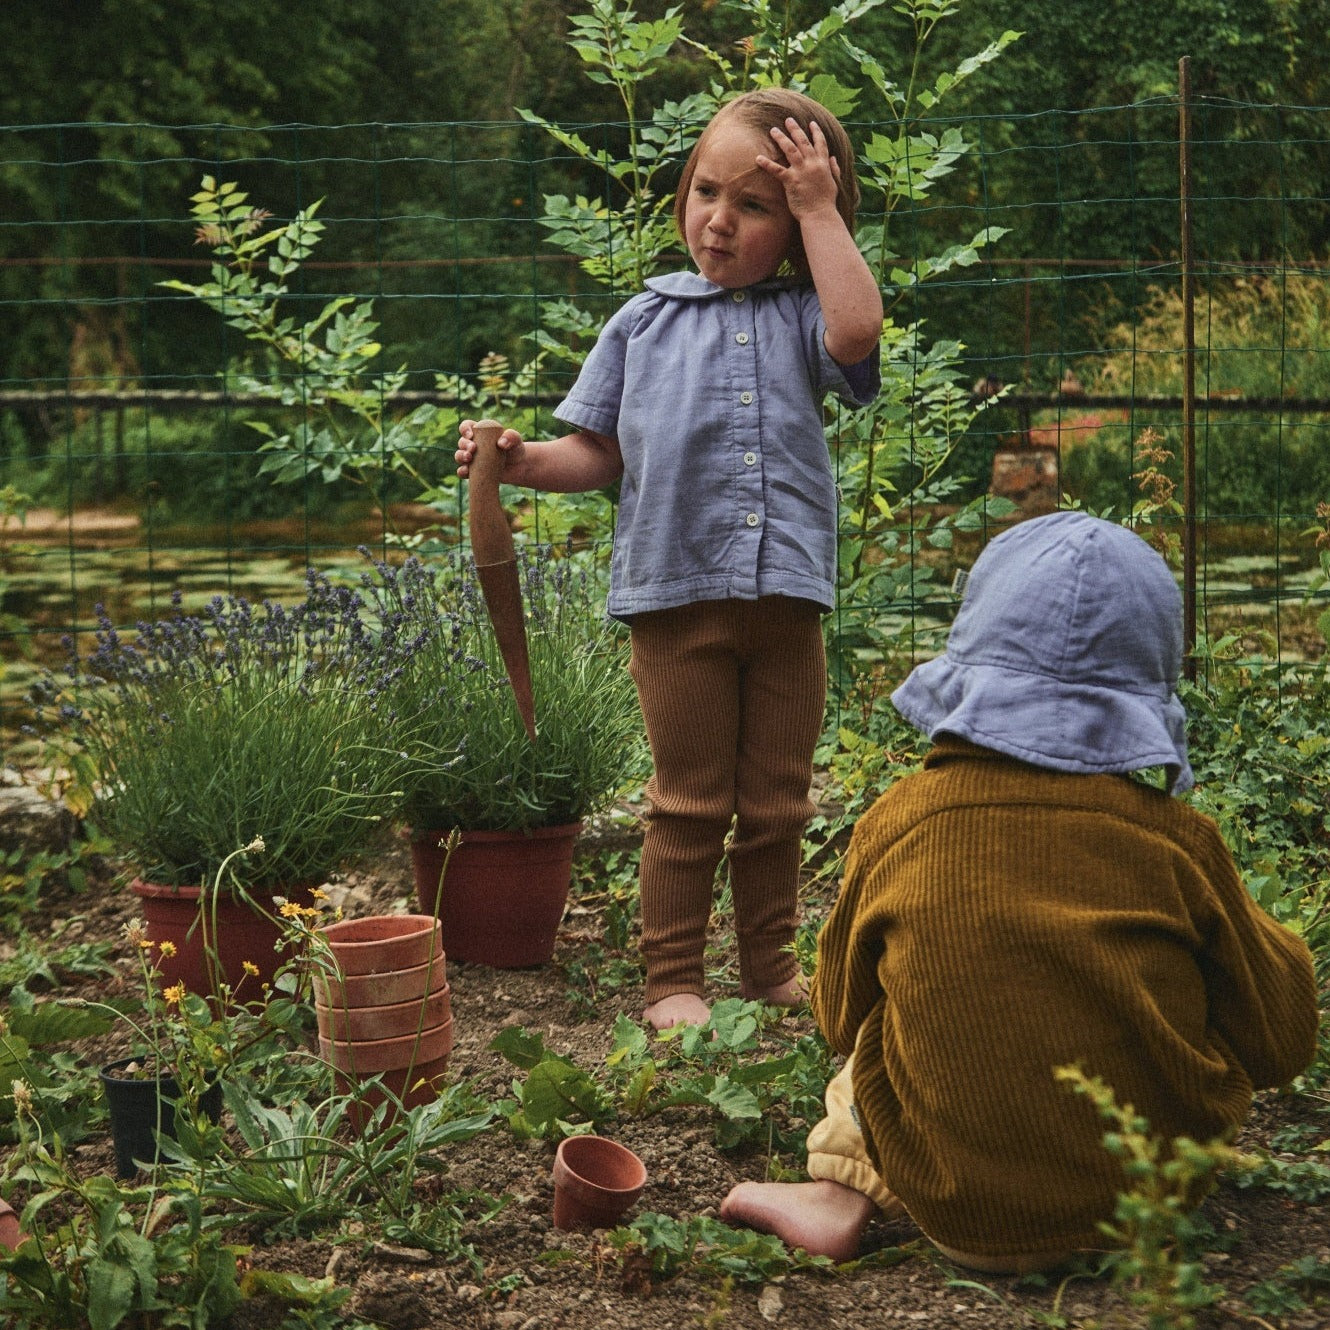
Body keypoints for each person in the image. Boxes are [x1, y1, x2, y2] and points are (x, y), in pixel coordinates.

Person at [721, 511, 1320, 1271]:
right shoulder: (1176, 843)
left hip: (956, 1212)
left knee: (880, 1027)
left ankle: (838, 1190)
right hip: (1149, 1206)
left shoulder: (899, 823)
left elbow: (840, 1014)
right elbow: (1283, 1039)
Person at [457, 89, 884, 1032]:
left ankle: (770, 966)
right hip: (675, 601)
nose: (719, 222)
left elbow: (859, 335)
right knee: (688, 803)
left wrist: (819, 209)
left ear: (806, 223)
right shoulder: (641, 323)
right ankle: (672, 982)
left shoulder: (806, 317)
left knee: (777, 804)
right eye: (704, 192)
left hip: (786, 601)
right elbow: (601, 452)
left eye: (757, 206)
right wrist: (525, 462)